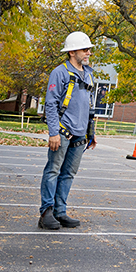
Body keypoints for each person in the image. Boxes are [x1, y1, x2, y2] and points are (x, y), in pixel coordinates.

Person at [39, 31, 97, 230]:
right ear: (72, 52)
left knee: (68, 174)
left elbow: (89, 105)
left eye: (89, 49)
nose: (88, 52)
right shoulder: (60, 72)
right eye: (85, 49)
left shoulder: (88, 74)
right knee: (53, 170)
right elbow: (51, 103)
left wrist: (91, 132)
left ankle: (60, 211)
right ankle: (46, 212)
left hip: (80, 134)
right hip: (62, 132)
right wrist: (53, 132)